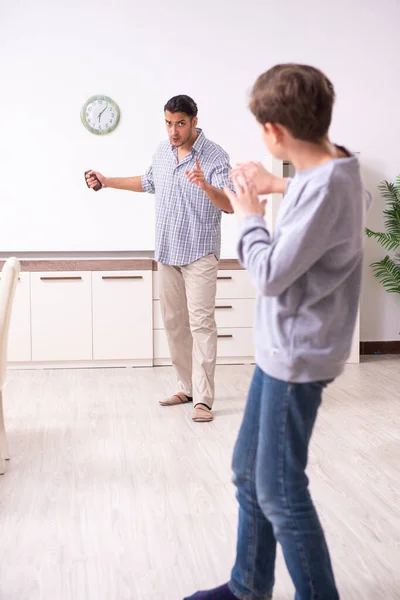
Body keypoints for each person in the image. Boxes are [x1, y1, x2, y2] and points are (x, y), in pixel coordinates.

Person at [184, 64, 371, 599]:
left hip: (297, 357)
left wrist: (249, 213)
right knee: (248, 472)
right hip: (281, 352)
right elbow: (326, 193)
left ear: (275, 134)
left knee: (280, 492)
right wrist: (278, 184)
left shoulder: (323, 191)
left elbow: (267, 274)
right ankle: (248, 585)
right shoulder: (337, 166)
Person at [86, 95, 233, 423]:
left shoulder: (214, 156)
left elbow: (231, 204)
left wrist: (206, 186)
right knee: (173, 324)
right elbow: (147, 182)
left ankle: (204, 400)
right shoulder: (162, 153)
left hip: (200, 253)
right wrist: (108, 182)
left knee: (202, 325)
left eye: (180, 123)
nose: (173, 130)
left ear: (194, 121)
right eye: (168, 123)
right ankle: (187, 387)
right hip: (167, 252)